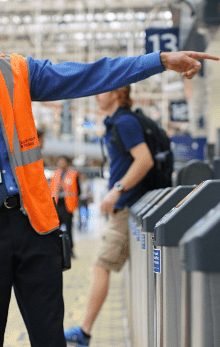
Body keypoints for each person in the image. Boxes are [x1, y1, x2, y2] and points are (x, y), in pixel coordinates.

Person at [0, 0, 218, 346]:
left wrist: (159, 60)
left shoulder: (18, 73)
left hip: (34, 224)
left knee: (50, 338)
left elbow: (89, 75)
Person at [62, 86, 155, 346]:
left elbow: (144, 160)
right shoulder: (118, 122)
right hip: (125, 208)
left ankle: (85, 331)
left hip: (126, 208)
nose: (97, 95)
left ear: (118, 93)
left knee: (101, 264)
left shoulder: (125, 122)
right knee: (100, 264)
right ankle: (84, 330)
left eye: (103, 90)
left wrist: (116, 191)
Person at [48, 156, 81, 257]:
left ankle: (70, 250)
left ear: (67, 163)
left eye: (63, 162)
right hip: (57, 206)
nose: (61, 163)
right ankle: (57, 250)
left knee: (69, 230)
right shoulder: (54, 175)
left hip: (68, 207)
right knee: (55, 230)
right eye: (60, 162)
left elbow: (78, 191)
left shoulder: (73, 174)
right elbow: (50, 190)